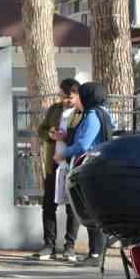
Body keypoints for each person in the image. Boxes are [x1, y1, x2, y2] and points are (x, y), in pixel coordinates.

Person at [55, 81, 115, 262]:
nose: (77, 99)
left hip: (90, 167)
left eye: (80, 95)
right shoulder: (102, 112)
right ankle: (95, 252)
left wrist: (63, 153)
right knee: (93, 209)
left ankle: (96, 253)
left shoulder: (92, 116)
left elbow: (84, 144)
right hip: (98, 165)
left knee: (91, 210)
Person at [33, 79, 81, 260]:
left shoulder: (81, 113)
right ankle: (49, 245)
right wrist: (51, 135)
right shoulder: (54, 109)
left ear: (77, 95)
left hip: (72, 163)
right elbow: (41, 129)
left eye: (69, 97)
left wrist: (66, 137)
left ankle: (70, 246)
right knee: (48, 205)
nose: (65, 100)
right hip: (53, 162)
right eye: (62, 96)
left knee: (72, 207)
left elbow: (82, 138)